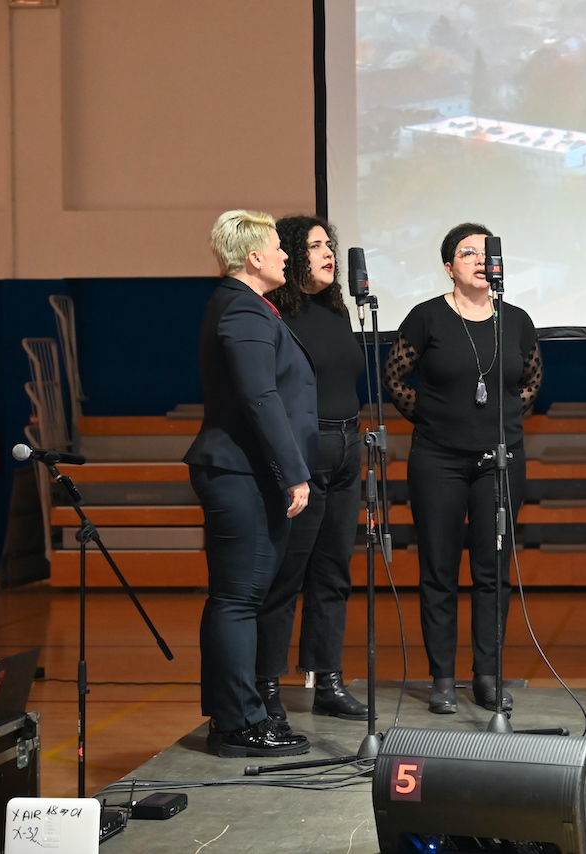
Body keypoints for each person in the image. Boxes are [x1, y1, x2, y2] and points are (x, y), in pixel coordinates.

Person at [382, 223, 542, 714]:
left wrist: (500, 421)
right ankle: (443, 679)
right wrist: (434, 420)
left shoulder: (516, 319)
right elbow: (395, 377)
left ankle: (487, 677)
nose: (479, 261)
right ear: (449, 267)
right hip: (438, 460)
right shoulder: (425, 317)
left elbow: (531, 381)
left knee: (493, 572)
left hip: (500, 461)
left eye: (486, 253)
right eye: (467, 253)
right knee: (439, 570)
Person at [185, 210, 317, 757]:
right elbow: (259, 397)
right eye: (278, 248)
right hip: (241, 472)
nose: (287, 255)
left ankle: (234, 716)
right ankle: (240, 723)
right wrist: (295, 472)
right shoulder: (242, 309)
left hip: (246, 470)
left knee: (238, 597)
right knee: (238, 599)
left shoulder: (247, 306)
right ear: (255, 257)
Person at [254, 215, 369, 725]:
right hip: (304, 449)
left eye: (330, 245)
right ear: (293, 254)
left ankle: (328, 680)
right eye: (316, 246)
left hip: (347, 446)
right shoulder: (277, 314)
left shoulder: (336, 310)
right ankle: (266, 685)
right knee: (288, 574)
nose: (328, 254)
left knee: (333, 571)